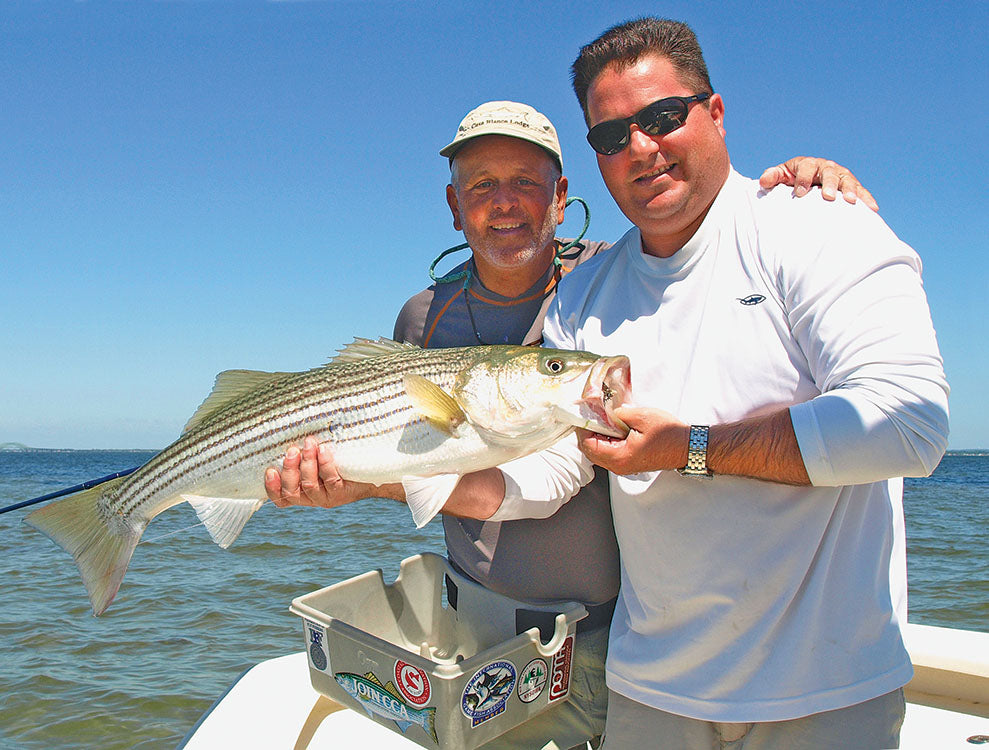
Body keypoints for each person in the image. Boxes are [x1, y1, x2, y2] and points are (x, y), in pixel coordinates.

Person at [265, 100, 877, 749]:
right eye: (481, 186)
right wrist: (352, 480)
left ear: (560, 196)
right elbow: (414, 462)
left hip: (619, 635)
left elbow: (712, 248)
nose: (504, 203)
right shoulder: (422, 320)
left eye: (525, 182)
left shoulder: (617, 282)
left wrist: (807, 188)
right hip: (479, 628)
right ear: (453, 206)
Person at [510, 17, 947, 749]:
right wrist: (385, 478)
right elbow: (557, 466)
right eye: (611, 137)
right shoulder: (581, 295)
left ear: (713, 113)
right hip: (651, 690)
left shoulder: (815, 225)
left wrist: (688, 448)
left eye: (661, 117)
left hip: (826, 689)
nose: (640, 148)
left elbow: (908, 424)